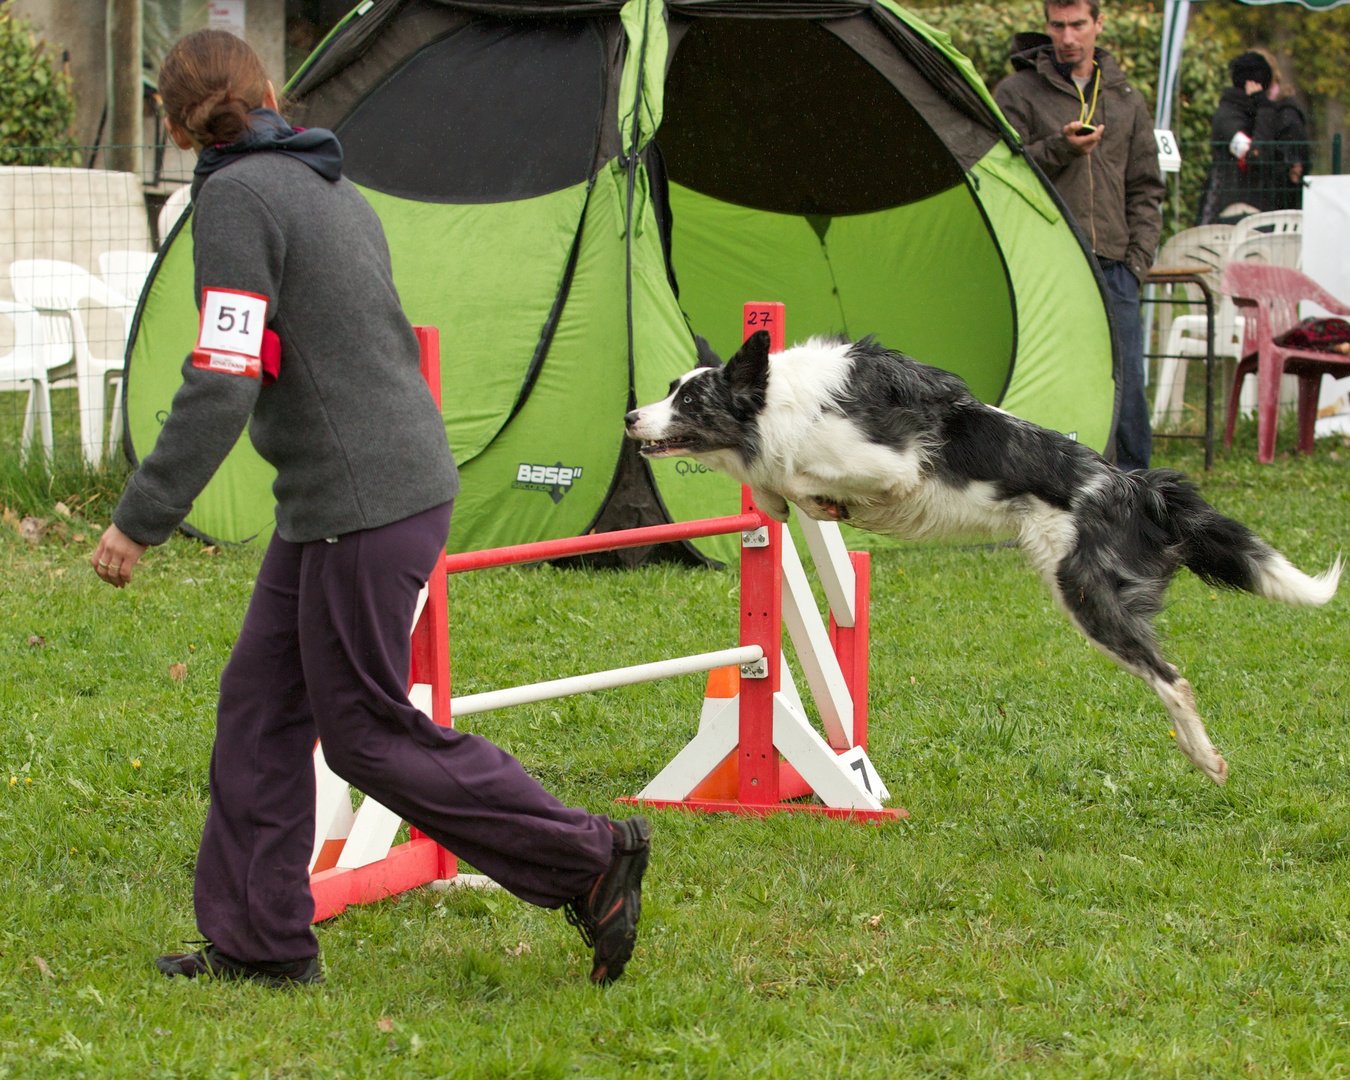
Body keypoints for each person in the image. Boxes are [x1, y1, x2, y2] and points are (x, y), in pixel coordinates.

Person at [91, 29, 649, 988]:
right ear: (265, 89)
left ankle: (588, 857)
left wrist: (140, 515)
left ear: (174, 122)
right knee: (261, 713)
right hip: (352, 495)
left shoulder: (234, 197)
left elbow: (224, 375)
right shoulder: (324, 181)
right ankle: (262, 947)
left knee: (365, 734)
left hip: (364, 501)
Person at [995, 0, 1164, 472]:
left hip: (1115, 266)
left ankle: (1138, 500)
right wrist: (1060, 149)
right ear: (1046, 26)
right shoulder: (1016, 93)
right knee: (1048, 384)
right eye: (1058, 26)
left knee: (1126, 386)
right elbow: (1004, 174)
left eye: (1078, 25)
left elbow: (1146, 186)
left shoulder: (1126, 97)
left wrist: (1137, 261)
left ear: (1098, 24)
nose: (1068, 37)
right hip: (1046, 265)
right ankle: (1035, 487)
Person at [1199, 51, 1310, 223]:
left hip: (1254, 213)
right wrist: (1265, 109)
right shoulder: (1230, 117)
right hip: (1226, 213)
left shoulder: (1259, 112)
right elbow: (1256, 156)